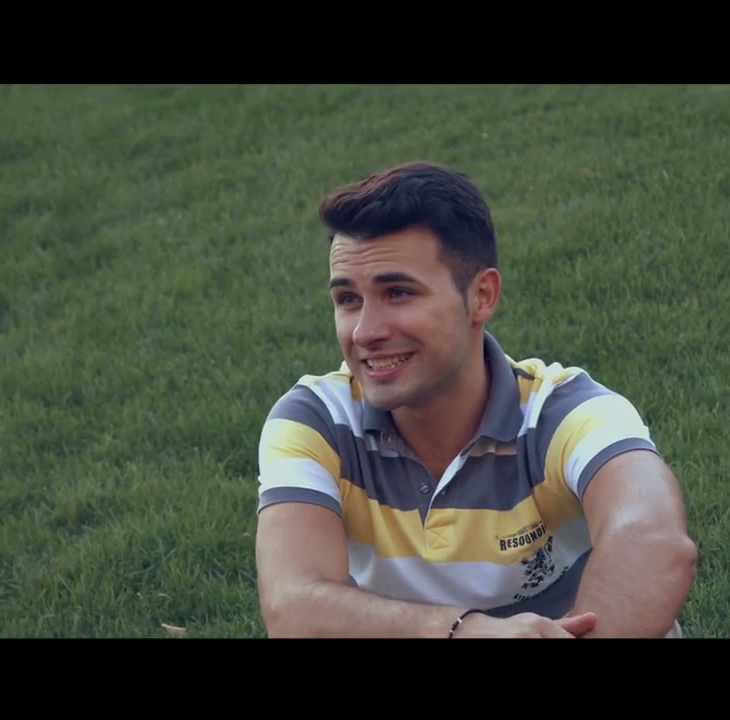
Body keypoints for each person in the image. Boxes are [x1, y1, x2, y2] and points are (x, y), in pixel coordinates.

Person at [253, 160, 697, 638]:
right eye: (348, 300)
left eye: (398, 293)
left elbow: (653, 542)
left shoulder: (565, 413)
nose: (365, 332)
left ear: (482, 296)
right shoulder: (316, 421)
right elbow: (292, 603)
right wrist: (462, 631)